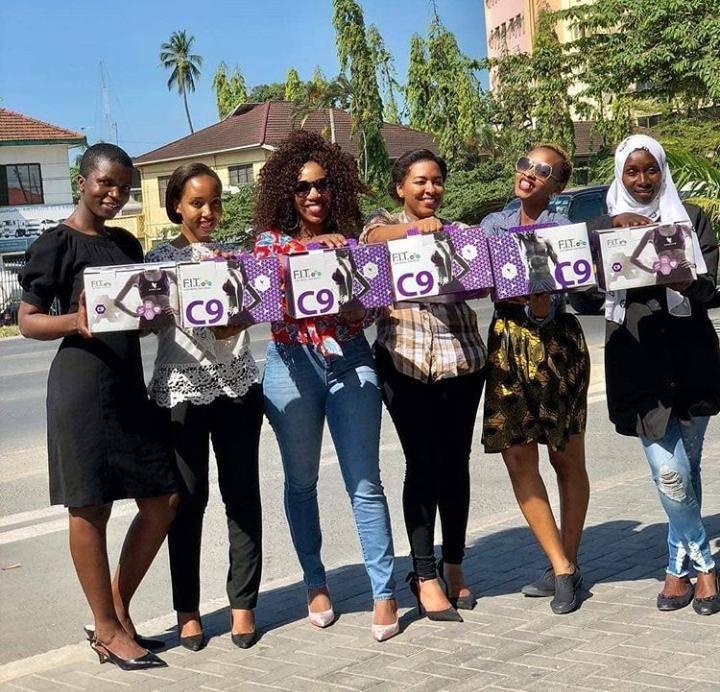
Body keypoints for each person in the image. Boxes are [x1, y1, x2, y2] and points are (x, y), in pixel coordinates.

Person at [17, 143, 178, 670]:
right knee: (90, 506)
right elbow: (27, 320)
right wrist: (74, 322)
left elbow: (139, 313)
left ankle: (115, 611)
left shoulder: (126, 243)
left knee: (163, 498)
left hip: (128, 385)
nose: (115, 194)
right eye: (106, 183)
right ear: (82, 181)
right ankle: (106, 629)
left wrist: (155, 316)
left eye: (124, 187)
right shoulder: (56, 245)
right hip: (82, 387)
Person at [253, 130, 399, 642]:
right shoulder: (270, 241)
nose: (313, 194)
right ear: (286, 193)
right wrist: (313, 249)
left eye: (321, 185)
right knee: (301, 482)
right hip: (292, 362)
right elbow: (268, 280)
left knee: (365, 482)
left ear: (335, 187)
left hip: (349, 357)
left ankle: (384, 592)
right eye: (302, 187)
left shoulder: (355, 241)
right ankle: (315, 583)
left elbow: (376, 300)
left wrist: (362, 308)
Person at [593, 134, 720, 615]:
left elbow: (713, 289)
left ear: (662, 171)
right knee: (669, 471)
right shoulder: (602, 226)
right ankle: (705, 567)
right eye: (632, 171)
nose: (642, 180)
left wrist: (688, 281)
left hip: (691, 360)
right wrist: (612, 230)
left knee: (688, 469)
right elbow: (582, 288)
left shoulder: (692, 219)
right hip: (637, 362)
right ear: (620, 175)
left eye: (651, 170)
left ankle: (675, 568)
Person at [362, 149, 487, 621]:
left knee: (456, 464)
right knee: (422, 463)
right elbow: (372, 240)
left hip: (463, 359)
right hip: (405, 361)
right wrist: (418, 231)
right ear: (400, 188)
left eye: (437, 180)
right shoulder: (383, 226)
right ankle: (424, 574)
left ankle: (454, 562)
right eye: (419, 181)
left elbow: (482, 271)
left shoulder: (457, 232)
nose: (430, 189)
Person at [145, 163, 265, 648]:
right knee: (187, 501)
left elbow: (260, 305)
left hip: (237, 386)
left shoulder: (235, 257)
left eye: (215, 202)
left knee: (242, 496)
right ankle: (188, 610)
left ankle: (243, 605)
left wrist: (241, 318)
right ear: (176, 205)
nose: (208, 212)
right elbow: (145, 322)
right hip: (180, 391)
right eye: (197, 203)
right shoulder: (158, 259)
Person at [480, 145, 590, 615]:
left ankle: (569, 560)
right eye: (525, 163)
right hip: (507, 342)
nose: (528, 173)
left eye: (542, 171)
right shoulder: (493, 224)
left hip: (555, 344)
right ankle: (560, 566)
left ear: (558, 185)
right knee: (517, 456)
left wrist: (541, 303)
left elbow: (572, 288)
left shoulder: (563, 229)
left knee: (565, 455)